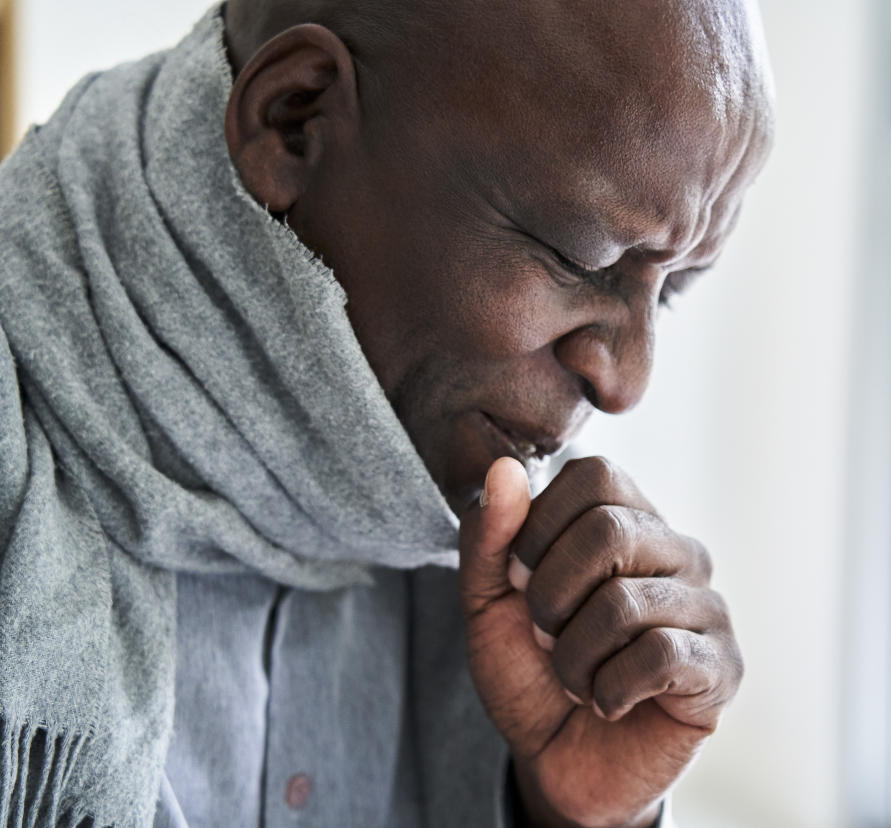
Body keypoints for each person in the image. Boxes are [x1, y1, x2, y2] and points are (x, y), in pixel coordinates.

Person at [0, 0, 773, 825]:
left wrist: (572, 814)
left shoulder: (498, 569)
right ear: (293, 122)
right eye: (579, 256)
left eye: (675, 287)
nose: (626, 384)